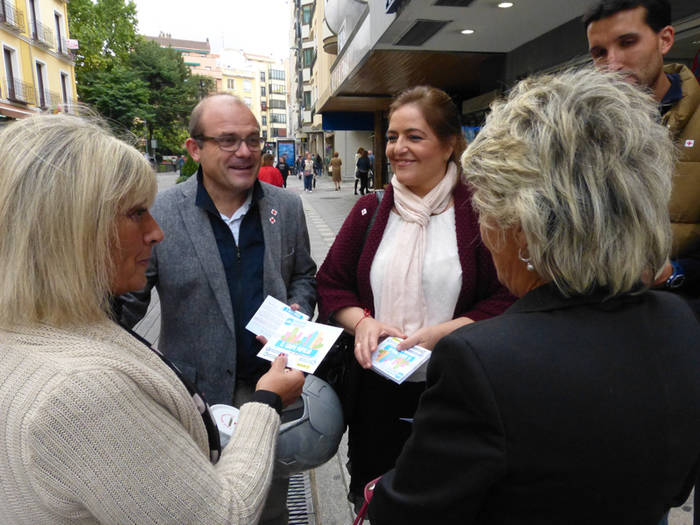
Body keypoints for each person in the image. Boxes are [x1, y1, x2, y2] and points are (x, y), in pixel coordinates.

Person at [368, 68, 700, 525]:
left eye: (486, 209)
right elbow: (678, 481)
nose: (481, 230)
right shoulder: (677, 321)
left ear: (522, 230)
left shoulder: (481, 360)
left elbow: (406, 512)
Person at [0, 113, 306, 525]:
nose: (156, 231)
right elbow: (223, 515)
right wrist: (266, 401)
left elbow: (303, 273)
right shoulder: (81, 395)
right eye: (136, 213)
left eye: (254, 140)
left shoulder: (34, 330)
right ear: (71, 228)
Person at [117, 93, 316, 525]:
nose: (244, 152)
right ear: (195, 148)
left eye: (252, 140)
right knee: (199, 510)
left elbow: (303, 274)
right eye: (228, 141)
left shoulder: (287, 207)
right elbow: (128, 302)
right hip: (193, 398)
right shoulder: (161, 213)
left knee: (269, 506)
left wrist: (298, 310)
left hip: (269, 386)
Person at [316, 85, 514, 512]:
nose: (397, 148)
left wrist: (450, 333)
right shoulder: (370, 210)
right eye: (391, 136)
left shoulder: (485, 213)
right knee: (379, 500)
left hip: (457, 393)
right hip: (376, 394)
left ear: (450, 144)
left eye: (414, 136)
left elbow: (510, 296)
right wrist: (363, 323)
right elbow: (331, 283)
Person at [585, 0, 700, 317]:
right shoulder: (583, 132)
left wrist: (674, 272)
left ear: (665, 39)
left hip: (683, 322)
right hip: (601, 321)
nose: (613, 63)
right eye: (599, 53)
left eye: (627, 42)